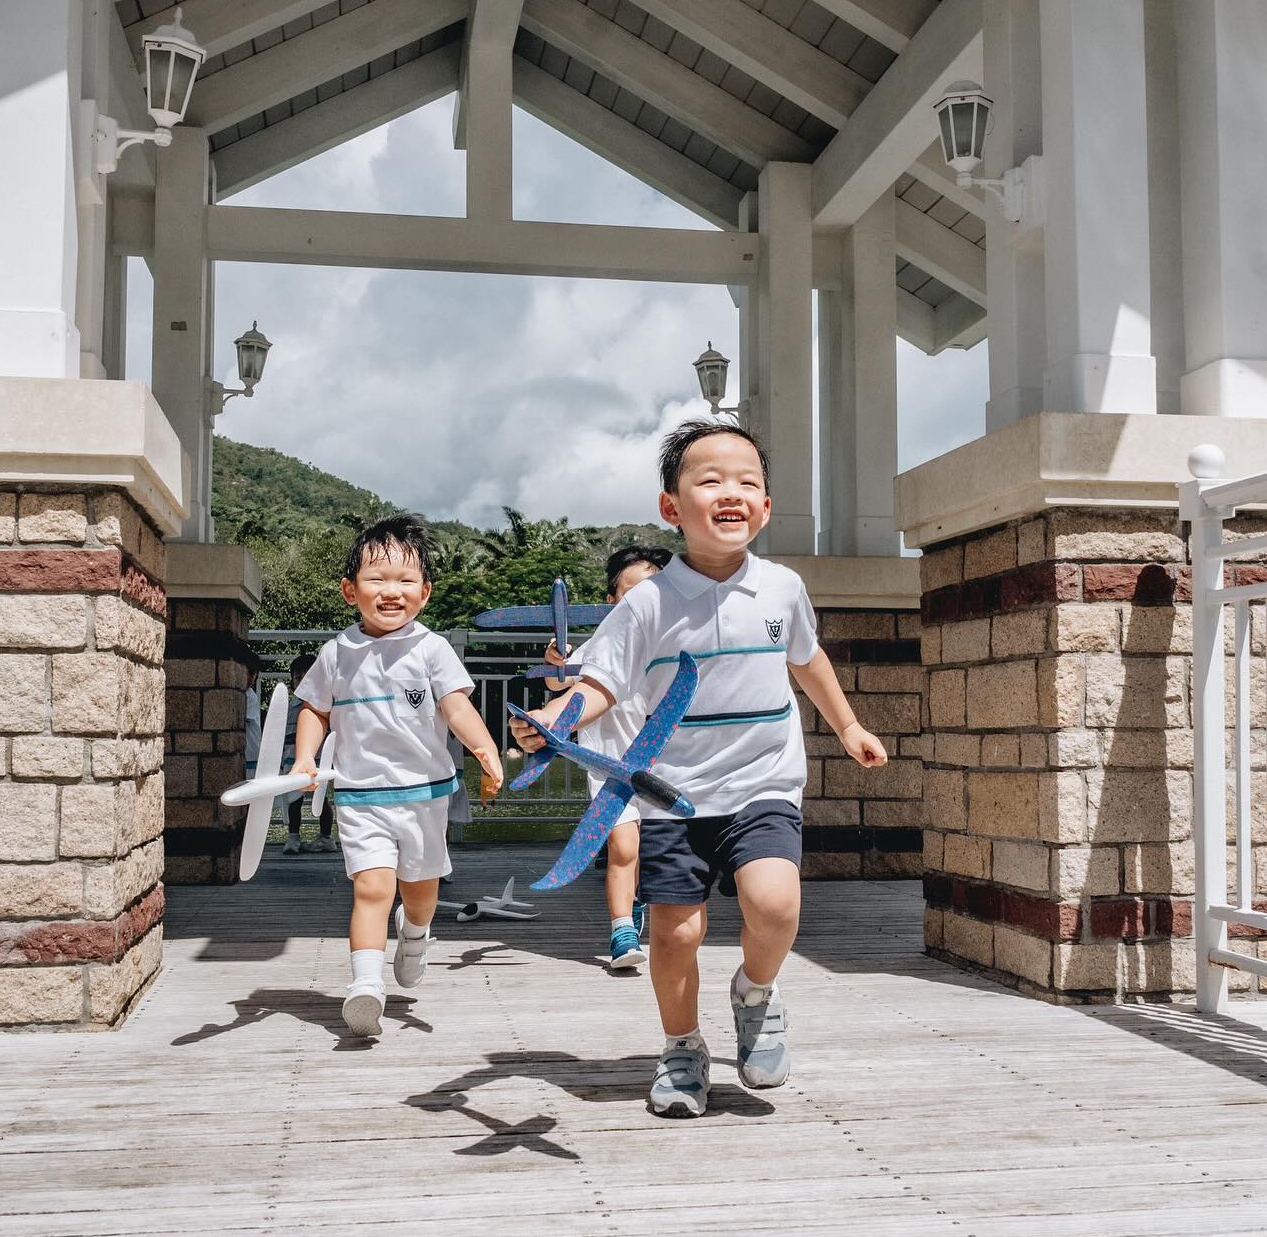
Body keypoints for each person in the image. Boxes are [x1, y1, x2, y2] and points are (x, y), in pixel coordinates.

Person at [511, 421, 887, 1120]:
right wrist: (557, 723)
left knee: (775, 903)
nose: (731, 492)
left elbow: (807, 660)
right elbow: (601, 685)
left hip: (762, 783)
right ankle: (682, 1045)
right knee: (674, 933)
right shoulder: (647, 605)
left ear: (766, 507)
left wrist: (849, 725)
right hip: (671, 796)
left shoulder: (782, 588)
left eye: (747, 481)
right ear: (671, 507)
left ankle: (755, 992)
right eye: (709, 479)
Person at [289, 514, 504, 1038]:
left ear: (424, 592)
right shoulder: (337, 652)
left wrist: (484, 748)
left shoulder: (431, 649)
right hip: (362, 796)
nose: (392, 591)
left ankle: (415, 934)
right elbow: (315, 709)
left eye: (405, 580)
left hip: (424, 797)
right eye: (377, 579)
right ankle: (366, 985)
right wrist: (305, 759)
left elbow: (456, 707)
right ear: (349, 590)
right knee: (371, 888)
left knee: (420, 891)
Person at [542, 545, 674, 972]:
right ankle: (621, 931)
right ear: (612, 600)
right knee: (622, 847)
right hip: (609, 765)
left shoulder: (672, 645)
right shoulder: (594, 647)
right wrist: (554, 663)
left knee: (653, 854)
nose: (639, 601)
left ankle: (634, 909)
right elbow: (559, 684)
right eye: (629, 592)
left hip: (665, 768)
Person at [282, 651, 335, 855]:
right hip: (292, 759)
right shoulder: (288, 706)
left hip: (320, 760)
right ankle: (293, 836)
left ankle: (326, 837)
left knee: (320, 799)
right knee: (294, 799)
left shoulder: (326, 707)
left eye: (308, 676)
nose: (303, 681)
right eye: (298, 678)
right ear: (292, 682)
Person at [243, 653, 262, 777]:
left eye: (252, 674)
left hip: (251, 756)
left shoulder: (250, 696)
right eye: (246, 673)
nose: (249, 678)